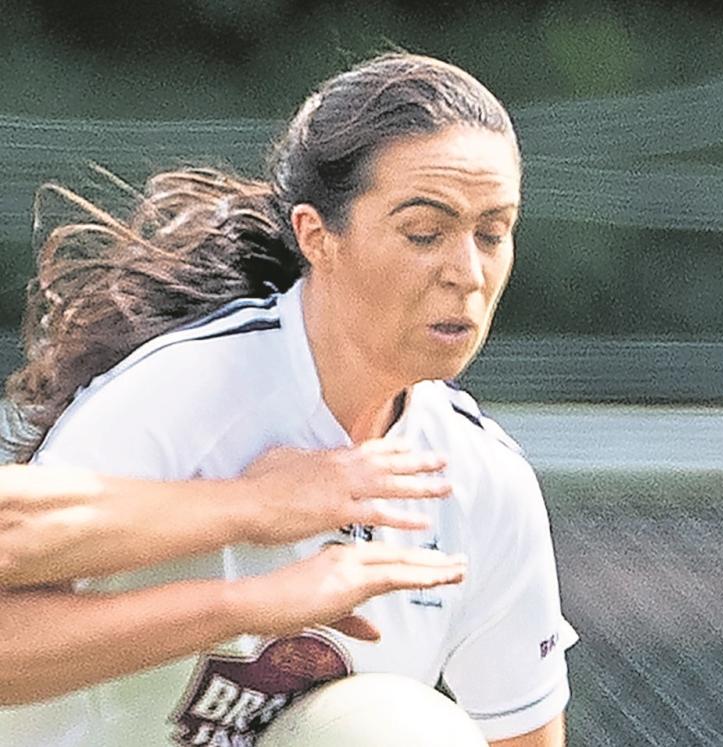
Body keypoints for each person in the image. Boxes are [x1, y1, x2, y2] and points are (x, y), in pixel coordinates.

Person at [1, 53, 575, 745]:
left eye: (493, 232)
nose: (468, 273)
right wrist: (251, 525)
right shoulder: (194, 389)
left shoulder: (482, 480)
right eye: (425, 232)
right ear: (316, 236)